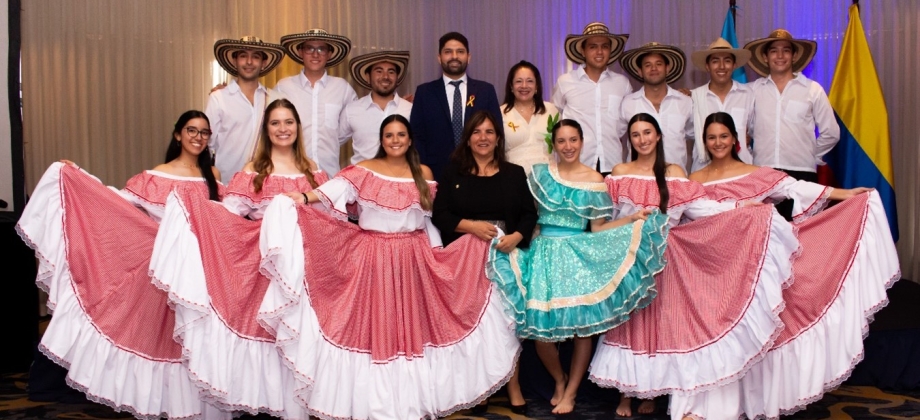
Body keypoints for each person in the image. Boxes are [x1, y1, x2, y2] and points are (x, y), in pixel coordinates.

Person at [260, 114, 519, 419]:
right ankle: (378, 404)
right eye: (389, 136)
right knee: (379, 329)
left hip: (414, 257)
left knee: (412, 329)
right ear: (381, 141)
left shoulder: (422, 172)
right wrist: (302, 197)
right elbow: (333, 192)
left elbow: (430, 218)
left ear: (410, 140)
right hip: (374, 257)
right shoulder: (365, 170)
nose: (395, 140)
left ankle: (408, 401)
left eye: (401, 135)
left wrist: (440, 250)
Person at [666, 112, 899, 420]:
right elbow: (681, 218)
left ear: (735, 139)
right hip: (706, 273)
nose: (718, 142)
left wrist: (844, 194)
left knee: (745, 339)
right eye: (711, 137)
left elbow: (796, 188)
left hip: (746, 272)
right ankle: (694, 408)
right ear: (704, 142)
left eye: (723, 136)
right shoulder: (694, 180)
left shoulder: (756, 173)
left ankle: (739, 406)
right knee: (704, 338)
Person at [17, 111, 227, 419]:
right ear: (178, 135)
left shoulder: (215, 176)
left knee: (191, 337)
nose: (198, 137)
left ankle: (189, 400)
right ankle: (151, 397)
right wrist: (80, 178)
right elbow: (118, 204)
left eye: (204, 132)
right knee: (150, 334)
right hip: (160, 270)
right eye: (191, 130)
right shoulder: (157, 175)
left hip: (199, 271)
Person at [589, 113, 797, 419]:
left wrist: (740, 206)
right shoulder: (619, 173)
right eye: (635, 135)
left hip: (670, 259)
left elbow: (703, 209)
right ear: (629, 140)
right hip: (632, 257)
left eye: (647, 132)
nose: (642, 139)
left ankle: (655, 394)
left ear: (658, 136)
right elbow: (609, 218)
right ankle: (627, 394)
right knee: (631, 323)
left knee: (666, 324)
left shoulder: (674, 173)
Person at [149, 99, 328, 417]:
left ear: (298, 127)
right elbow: (228, 218)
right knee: (271, 339)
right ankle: (268, 404)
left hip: (306, 272)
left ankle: (297, 408)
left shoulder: (315, 172)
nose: (282, 129)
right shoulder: (253, 172)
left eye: (288, 122)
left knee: (299, 338)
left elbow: (330, 220)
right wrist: (194, 211)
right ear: (266, 129)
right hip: (266, 271)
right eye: (275, 123)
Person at [487, 118, 669, 415]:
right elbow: (525, 213)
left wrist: (632, 220)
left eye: (573, 140)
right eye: (561, 141)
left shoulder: (596, 181)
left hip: (578, 253)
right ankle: (559, 379)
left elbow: (597, 228)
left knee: (582, 331)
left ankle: (571, 391)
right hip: (544, 252)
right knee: (539, 330)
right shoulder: (540, 174)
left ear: (581, 142)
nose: (568, 146)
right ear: (553, 145)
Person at [432, 111, 538, 415]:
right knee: (476, 326)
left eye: (490, 132)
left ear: (498, 138)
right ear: (468, 138)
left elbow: (529, 215)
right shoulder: (453, 173)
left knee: (506, 324)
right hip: (465, 259)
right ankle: (480, 390)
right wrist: (472, 226)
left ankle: (513, 385)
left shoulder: (514, 172)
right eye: (477, 132)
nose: (483, 138)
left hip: (505, 257)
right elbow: (441, 215)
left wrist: (517, 235)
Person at [744, 29, 839, 218]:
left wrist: (812, 155)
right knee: (766, 234)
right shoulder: (752, 91)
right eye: (773, 51)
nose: (780, 56)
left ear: (794, 55)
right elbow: (745, 129)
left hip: (802, 174)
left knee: (803, 234)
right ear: (765, 57)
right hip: (763, 174)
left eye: (786, 50)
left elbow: (831, 132)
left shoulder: (812, 89)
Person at [410, 32, 503, 181]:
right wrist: (424, 171)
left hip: (480, 172)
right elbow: (417, 136)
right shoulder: (424, 92)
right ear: (439, 58)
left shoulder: (485, 90)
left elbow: (497, 132)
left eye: (460, 51)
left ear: (469, 57)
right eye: (448, 52)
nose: (454, 56)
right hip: (436, 173)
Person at [551, 22, 632, 172]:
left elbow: (626, 122)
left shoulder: (622, 83)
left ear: (610, 50)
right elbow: (554, 119)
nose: (599, 52)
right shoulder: (565, 82)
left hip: (612, 163)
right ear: (583, 51)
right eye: (593, 47)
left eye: (604, 46)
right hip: (577, 164)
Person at [276, 29, 357, 176]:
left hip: (329, 176)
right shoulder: (284, 87)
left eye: (321, 49)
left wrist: (329, 137)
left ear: (329, 54)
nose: (315, 54)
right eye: (309, 48)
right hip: (292, 175)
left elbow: (354, 122)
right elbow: (269, 123)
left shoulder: (343, 88)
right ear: (300, 52)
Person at [206, 36, 285, 180]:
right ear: (234, 61)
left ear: (263, 63)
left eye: (255, 57)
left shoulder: (276, 99)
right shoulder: (218, 98)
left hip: (267, 182)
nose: (249, 62)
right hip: (228, 183)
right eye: (243, 56)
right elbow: (207, 144)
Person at [618, 42, 694, 173]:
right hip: (639, 180)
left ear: (667, 68)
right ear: (640, 71)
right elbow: (616, 134)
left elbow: (695, 134)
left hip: (676, 179)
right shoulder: (628, 103)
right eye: (648, 65)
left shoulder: (685, 102)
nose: (654, 68)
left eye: (658, 64)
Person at [688, 37, 755, 171]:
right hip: (704, 172)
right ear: (707, 66)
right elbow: (683, 132)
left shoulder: (749, 95)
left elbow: (758, 132)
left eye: (727, 61)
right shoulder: (693, 98)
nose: (722, 66)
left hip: (742, 171)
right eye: (715, 61)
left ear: (734, 65)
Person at [340, 50, 413, 164]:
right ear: (368, 77)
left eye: (391, 72)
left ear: (397, 78)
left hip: (400, 178)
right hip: (362, 178)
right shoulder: (352, 110)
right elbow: (333, 143)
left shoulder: (410, 110)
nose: (385, 76)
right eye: (379, 71)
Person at [501, 60, 559, 174]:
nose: (524, 86)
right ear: (511, 86)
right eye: (518, 81)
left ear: (537, 86)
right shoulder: (500, 113)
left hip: (548, 179)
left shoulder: (551, 110)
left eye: (530, 81)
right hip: (513, 179)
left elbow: (562, 145)